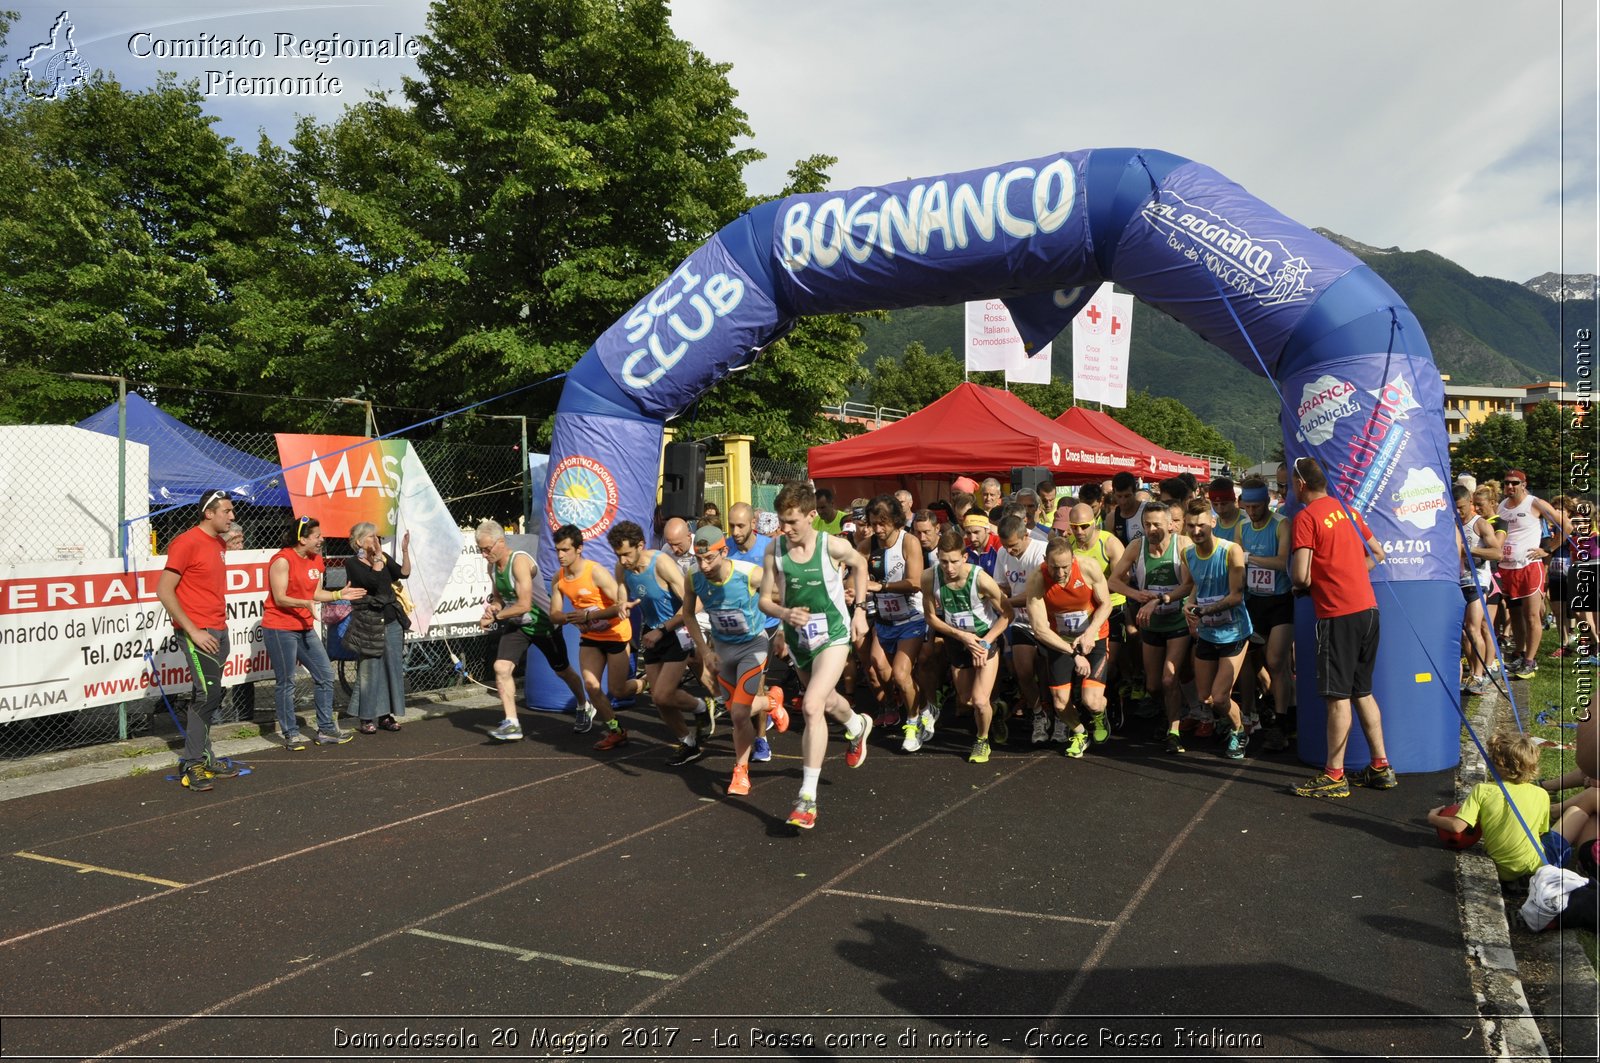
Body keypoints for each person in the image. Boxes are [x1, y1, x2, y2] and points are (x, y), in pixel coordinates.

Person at [760, 481, 875, 830]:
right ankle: (857, 725)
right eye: (782, 520)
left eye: (793, 521)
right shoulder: (774, 550)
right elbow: (766, 599)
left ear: (812, 516)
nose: (786, 528)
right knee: (825, 702)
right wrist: (783, 619)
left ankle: (806, 799)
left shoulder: (832, 546)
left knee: (811, 705)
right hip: (800, 640)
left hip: (834, 636)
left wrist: (859, 611)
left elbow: (861, 565)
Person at [1288, 456, 1394, 798]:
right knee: (1362, 691)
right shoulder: (1348, 510)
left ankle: (1334, 775)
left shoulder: (1306, 517)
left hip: (1338, 615)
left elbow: (1301, 574)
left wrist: (1307, 583)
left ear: (1301, 484)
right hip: (1368, 610)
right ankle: (1381, 766)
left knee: (1337, 698)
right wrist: (1348, 573)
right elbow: (1378, 553)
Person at [684, 525, 780, 796]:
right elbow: (689, 615)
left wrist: (788, 621)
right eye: (698, 558)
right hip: (723, 651)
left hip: (753, 646)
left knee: (738, 714)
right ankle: (772, 701)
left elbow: (783, 591)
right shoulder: (692, 576)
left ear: (724, 552)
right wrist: (705, 651)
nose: (703, 565)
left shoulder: (749, 573)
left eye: (709, 558)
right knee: (736, 711)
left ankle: (740, 770)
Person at [608, 519, 714, 763]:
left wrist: (663, 630)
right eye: (618, 555)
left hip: (677, 630)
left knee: (664, 694)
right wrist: (621, 602)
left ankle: (701, 706)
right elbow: (622, 587)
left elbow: (689, 606)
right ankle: (688, 742)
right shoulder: (621, 568)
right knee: (659, 699)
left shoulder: (661, 563)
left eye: (626, 554)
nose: (622, 560)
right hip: (652, 630)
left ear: (640, 545)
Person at [156, 489, 239, 791]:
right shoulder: (186, 542)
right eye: (227, 511)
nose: (232, 516)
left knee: (206, 695)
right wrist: (192, 630)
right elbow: (164, 590)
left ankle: (204, 756)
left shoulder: (218, 543)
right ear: (209, 513)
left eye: (232, 511)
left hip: (218, 629)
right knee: (208, 696)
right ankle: (192, 764)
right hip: (198, 633)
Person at [477, 520, 589, 742]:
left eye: (487, 549)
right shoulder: (492, 567)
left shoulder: (519, 562)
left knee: (563, 671)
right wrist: (493, 610)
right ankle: (512, 723)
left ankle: (584, 705)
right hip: (518, 625)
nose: (484, 554)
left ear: (500, 542)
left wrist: (497, 617)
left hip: (543, 624)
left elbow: (524, 604)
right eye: (480, 549)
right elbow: (499, 598)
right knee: (501, 667)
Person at [263, 516, 360, 749]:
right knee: (286, 682)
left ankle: (326, 730)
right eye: (317, 536)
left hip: (304, 627)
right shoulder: (282, 560)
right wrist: (304, 603)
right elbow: (280, 598)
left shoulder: (316, 560)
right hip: (280, 627)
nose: (322, 540)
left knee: (325, 675)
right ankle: (291, 734)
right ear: (302, 538)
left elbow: (316, 593)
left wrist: (339, 595)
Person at [922, 526, 1012, 764]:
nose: (949, 568)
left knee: (979, 701)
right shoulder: (929, 577)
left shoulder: (981, 579)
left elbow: (1007, 614)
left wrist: (984, 641)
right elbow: (930, 617)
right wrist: (961, 636)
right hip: (958, 639)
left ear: (964, 557)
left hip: (984, 637)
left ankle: (982, 740)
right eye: (943, 562)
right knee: (966, 700)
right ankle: (996, 710)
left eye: (954, 562)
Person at [1108, 501, 1192, 754]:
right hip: (1151, 622)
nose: (1152, 529)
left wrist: (1160, 599)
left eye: (1157, 524)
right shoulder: (1137, 546)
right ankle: (1172, 711)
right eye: (1147, 524)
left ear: (1170, 524)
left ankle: (1174, 730)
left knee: (1169, 678)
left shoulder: (1183, 545)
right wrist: (1137, 594)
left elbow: (1188, 586)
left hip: (1177, 619)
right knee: (1153, 685)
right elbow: (1113, 581)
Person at [1173, 499, 1254, 759]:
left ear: (1213, 523)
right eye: (1191, 526)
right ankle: (1231, 719)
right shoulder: (1187, 553)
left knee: (1220, 697)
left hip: (1234, 631)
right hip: (1207, 632)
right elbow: (1194, 585)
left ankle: (1240, 730)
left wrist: (1204, 611)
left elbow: (1236, 596)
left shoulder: (1232, 551)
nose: (1196, 531)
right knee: (1205, 697)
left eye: (1201, 526)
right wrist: (1189, 604)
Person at [1025, 535, 1114, 759]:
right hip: (1061, 641)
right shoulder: (1037, 578)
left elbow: (1106, 604)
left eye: (1065, 567)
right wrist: (1073, 653)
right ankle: (1080, 733)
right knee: (1060, 702)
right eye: (1054, 567)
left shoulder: (1088, 568)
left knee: (1091, 701)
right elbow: (1039, 629)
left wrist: (1090, 633)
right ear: (1046, 561)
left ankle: (1099, 715)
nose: (1061, 573)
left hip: (1093, 636)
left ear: (1073, 559)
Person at [549, 523, 633, 750]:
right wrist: (572, 618)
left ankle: (645, 683)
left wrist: (588, 614)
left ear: (579, 549)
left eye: (565, 550)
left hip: (616, 634)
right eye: (557, 550)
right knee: (591, 686)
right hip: (592, 638)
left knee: (618, 690)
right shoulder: (560, 578)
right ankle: (616, 730)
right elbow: (554, 615)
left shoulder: (595, 572)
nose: (560, 555)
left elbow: (621, 605)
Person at [1427, 733, 1554, 882]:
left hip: (1503, 870)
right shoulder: (1542, 794)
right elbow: (1540, 833)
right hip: (1536, 867)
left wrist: (1432, 818)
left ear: (1496, 764)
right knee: (1573, 818)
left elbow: (1456, 826)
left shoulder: (1483, 790)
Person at [862, 497, 929, 751]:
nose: (878, 529)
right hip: (884, 619)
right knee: (878, 667)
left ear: (895, 521)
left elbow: (915, 582)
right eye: (874, 524)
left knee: (901, 674)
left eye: (883, 524)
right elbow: (852, 569)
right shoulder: (868, 545)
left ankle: (912, 725)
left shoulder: (909, 542)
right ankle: (915, 704)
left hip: (910, 617)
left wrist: (881, 586)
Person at [726, 503, 791, 762]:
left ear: (753, 524)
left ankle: (761, 739)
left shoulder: (769, 548)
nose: (735, 531)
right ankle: (773, 703)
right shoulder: (725, 548)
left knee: (755, 687)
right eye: (731, 525)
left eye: (740, 525)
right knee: (733, 694)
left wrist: (784, 626)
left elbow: (783, 588)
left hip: (763, 625)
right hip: (732, 629)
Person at [1236, 476, 1294, 750]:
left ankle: (1282, 724)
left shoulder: (1281, 524)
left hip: (1280, 601)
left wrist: (1248, 558)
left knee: (1276, 661)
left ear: (1266, 502)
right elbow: (1236, 566)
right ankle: (1259, 710)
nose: (1252, 512)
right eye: (1247, 507)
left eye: (1257, 506)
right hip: (1253, 602)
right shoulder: (1242, 528)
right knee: (1251, 662)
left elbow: (1283, 563)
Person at [1496, 470, 1570, 679]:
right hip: (1508, 568)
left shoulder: (1534, 503)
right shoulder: (1501, 506)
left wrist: (1548, 549)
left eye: (1514, 483)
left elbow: (1566, 525)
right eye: (1507, 483)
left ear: (1523, 484)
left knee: (1531, 615)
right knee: (1516, 616)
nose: (1510, 487)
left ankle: (1530, 660)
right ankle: (1520, 653)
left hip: (1530, 566)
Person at [1064, 503, 1127, 742]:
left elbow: (1124, 578)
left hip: (1112, 607)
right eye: (1074, 527)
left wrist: (1096, 585)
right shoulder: (1068, 546)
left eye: (1084, 526)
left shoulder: (1108, 543)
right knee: (1080, 667)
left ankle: (1110, 702)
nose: (1079, 531)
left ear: (1095, 522)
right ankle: (1090, 708)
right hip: (1082, 614)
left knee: (1107, 666)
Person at [345, 521, 412, 735]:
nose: (377, 541)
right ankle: (366, 717)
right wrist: (376, 560)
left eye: (377, 537)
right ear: (359, 542)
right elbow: (372, 583)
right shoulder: (352, 564)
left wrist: (404, 550)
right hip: (370, 623)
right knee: (369, 670)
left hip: (391, 620)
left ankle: (385, 715)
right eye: (372, 537)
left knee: (391, 668)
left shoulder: (382, 558)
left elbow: (403, 573)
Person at [993, 514, 1049, 745]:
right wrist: (995, 594)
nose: (1010, 551)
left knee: (1047, 675)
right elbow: (1001, 586)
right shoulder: (1002, 553)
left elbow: (1037, 593)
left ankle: (1055, 715)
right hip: (1021, 622)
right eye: (1006, 546)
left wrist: (1005, 601)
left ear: (1026, 536)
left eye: (1014, 546)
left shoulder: (1041, 551)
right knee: (1023, 671)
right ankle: (1038, 713)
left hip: (1046, 622)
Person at [1454, 485, 1502, 695]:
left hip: (1478, 580)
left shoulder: (1480, 524)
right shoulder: (1452, 524)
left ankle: (1479, 676)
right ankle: (1474, 672)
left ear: (1470, 503)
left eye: (1462, 507)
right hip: (1458, 581)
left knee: (1473, 628)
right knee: (1466, 633)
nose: (1459, 512)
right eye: (1454, 508)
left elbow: (1497, 553)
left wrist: (1470, 549)